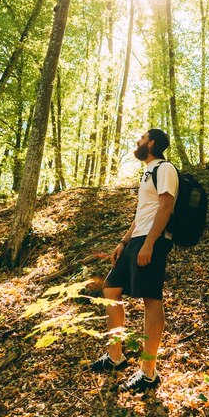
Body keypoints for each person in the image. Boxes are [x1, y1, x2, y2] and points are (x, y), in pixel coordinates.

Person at [89, 128, 179, 393]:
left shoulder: (165, 169)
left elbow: (166, 207)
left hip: (153, 240)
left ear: (151, 143)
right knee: (110, 289)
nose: (137, 142)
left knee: (151, 299)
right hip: (137, 239)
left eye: (141, 138)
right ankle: (115, 356)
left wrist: (150, 243)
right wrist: (123, 242)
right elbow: (142, 213)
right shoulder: (148, 172)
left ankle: (148, 373)